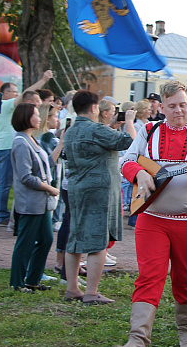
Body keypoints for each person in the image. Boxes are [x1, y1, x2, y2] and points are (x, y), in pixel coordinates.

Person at [120, 80, 187, 346]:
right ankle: (138, 338)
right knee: (149, 276)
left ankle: (186, 332)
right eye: (172, 106)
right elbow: (126, 161)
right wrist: (140, 172)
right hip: (152, 218)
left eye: (183, 105)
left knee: (185, 277)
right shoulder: (149, 130)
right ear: (162, 107)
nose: (178, 111)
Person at [62, 90, 135, 304]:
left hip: (77, 188)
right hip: (98, 190)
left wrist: (110, 125)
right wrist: (129, 121)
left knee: (75, 238)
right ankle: (92, 293)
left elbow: (100, 141)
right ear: (94, 108)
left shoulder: (72, 130)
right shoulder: (95, 130)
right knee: (98, 241)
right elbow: (128, 141)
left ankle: (72, 288)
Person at [9, 103, 60, 292]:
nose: (40, 118)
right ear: (26, 118)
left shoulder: (31, 139)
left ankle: (32, 279)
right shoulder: (21, 142)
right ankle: (17, 282)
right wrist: (50, 188)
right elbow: (25, 177)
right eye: (36, 115)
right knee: (25, 242)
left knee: (46, 239)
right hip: (31, 202)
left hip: (42, 202)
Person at [0, 71, 51, 226]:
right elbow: (25, 94)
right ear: (5, 93)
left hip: (1, 146)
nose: (17, 95)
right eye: (14, 92)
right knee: (5, 183)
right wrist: (43, 80)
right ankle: (1, 215)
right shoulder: (6, 105)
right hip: (8, 146)